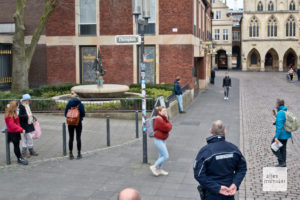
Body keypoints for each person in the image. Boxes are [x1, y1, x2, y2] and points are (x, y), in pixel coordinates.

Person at [193, 120, 247, 200]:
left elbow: (198, 174)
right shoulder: (234, 149)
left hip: (211, 194)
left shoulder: (205, 151)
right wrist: (235, 184)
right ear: (225, 131)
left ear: (211, 131)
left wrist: (217, 188)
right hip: (229, 193)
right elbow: (242, 168)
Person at [150, 106, 172, 176]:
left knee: (161, 155)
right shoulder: (159, 119)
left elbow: (169, 125)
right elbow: (168, 127)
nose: (165, 112)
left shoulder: (163, 118)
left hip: (162, 139)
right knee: (165, 156)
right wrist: (168, 124)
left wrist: (167, 122)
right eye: (163, 111)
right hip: (158, 140)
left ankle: (159, 170)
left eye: (165, 110)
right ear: (159, 112)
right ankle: (154, 166)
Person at [64, 91, 85, 160]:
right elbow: (83, 114)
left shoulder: (69, 103)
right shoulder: (80, 103)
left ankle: (71, 154)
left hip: (70, 123)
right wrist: (80, 118)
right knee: (78, 138)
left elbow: (65, 114)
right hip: (78, 122)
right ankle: (79, 154)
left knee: (71, 138)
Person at [271, 99, 291, 167]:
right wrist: (275, 115)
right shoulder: (285, 111)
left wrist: (276, 137)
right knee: (283, 149)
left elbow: (279, 126)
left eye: (276, 104)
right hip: (287, 134)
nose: (276, 105)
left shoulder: (280, 113)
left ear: (278, 105)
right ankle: (283, 164)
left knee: (273, 147)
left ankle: (282, 162)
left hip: (281, 135)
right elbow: (282, 120)